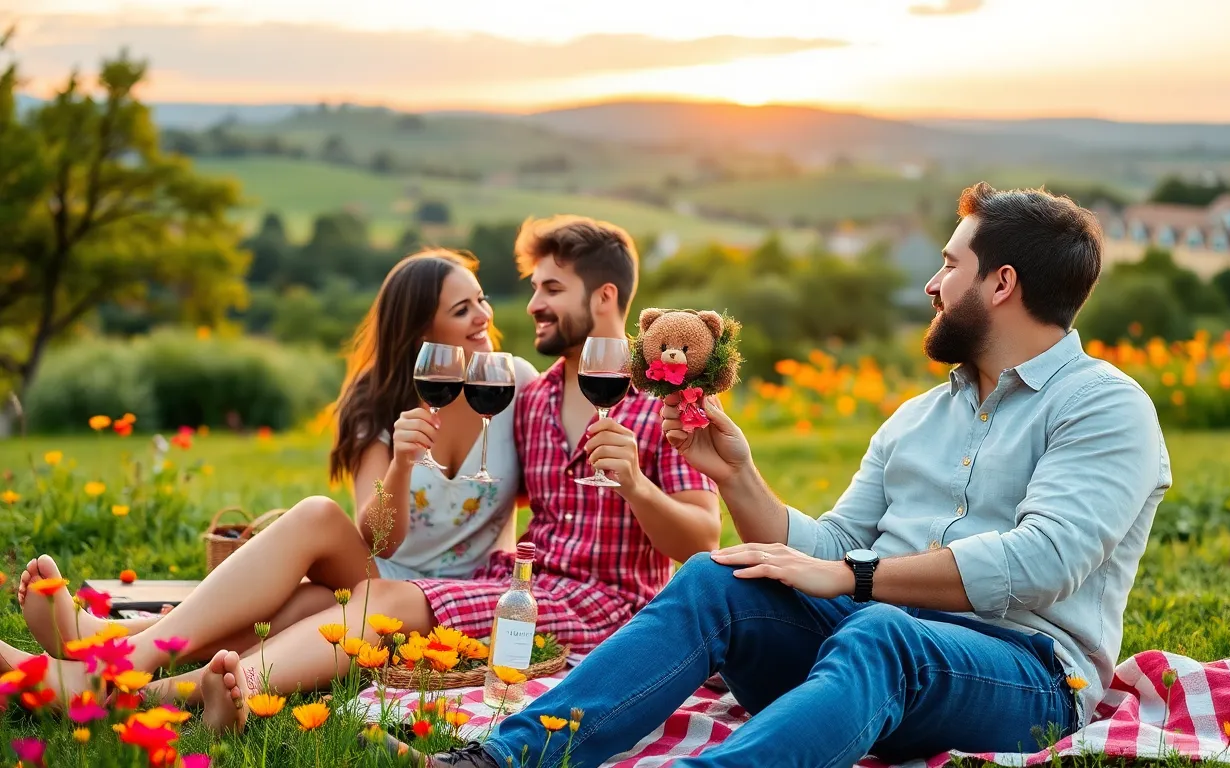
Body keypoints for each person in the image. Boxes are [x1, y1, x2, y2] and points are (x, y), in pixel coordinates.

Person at [428, 183, 1173, 768]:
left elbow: (1040, 564)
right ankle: (502, 759)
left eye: (950, 264)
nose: (931, 284)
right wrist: (739, 477)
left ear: (1002, 283)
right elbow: (837, 543)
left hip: (1024, 676)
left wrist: (857, 578)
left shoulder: (1104, 406)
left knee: (881, 630)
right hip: (866, 642)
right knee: (719, 577)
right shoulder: (916, 418)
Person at [0, 215, 722, 735]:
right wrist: (409, 463)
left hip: (601, 607)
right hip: (510, 584)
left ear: (603, 299)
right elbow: (406, 522)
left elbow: (702, 541)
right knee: (327, 573)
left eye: (549, 289)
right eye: (529, 288)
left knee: (370, 597)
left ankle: (129, 683)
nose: (525, 305)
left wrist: (637, 486)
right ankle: (136, 669)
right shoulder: (527, 398)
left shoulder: (664, 401)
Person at [13, 248, 533, 664]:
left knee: (298, 609)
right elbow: (378, 538)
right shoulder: (375, 402)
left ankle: (104, 647)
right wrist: (401, 464)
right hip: (380, 575)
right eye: (462, 309)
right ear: (420, 332)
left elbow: (552, 477)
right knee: (316, 516)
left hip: (463, 596)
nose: (483, 316)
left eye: (482, 301)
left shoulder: (515, 382)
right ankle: (112, 647)